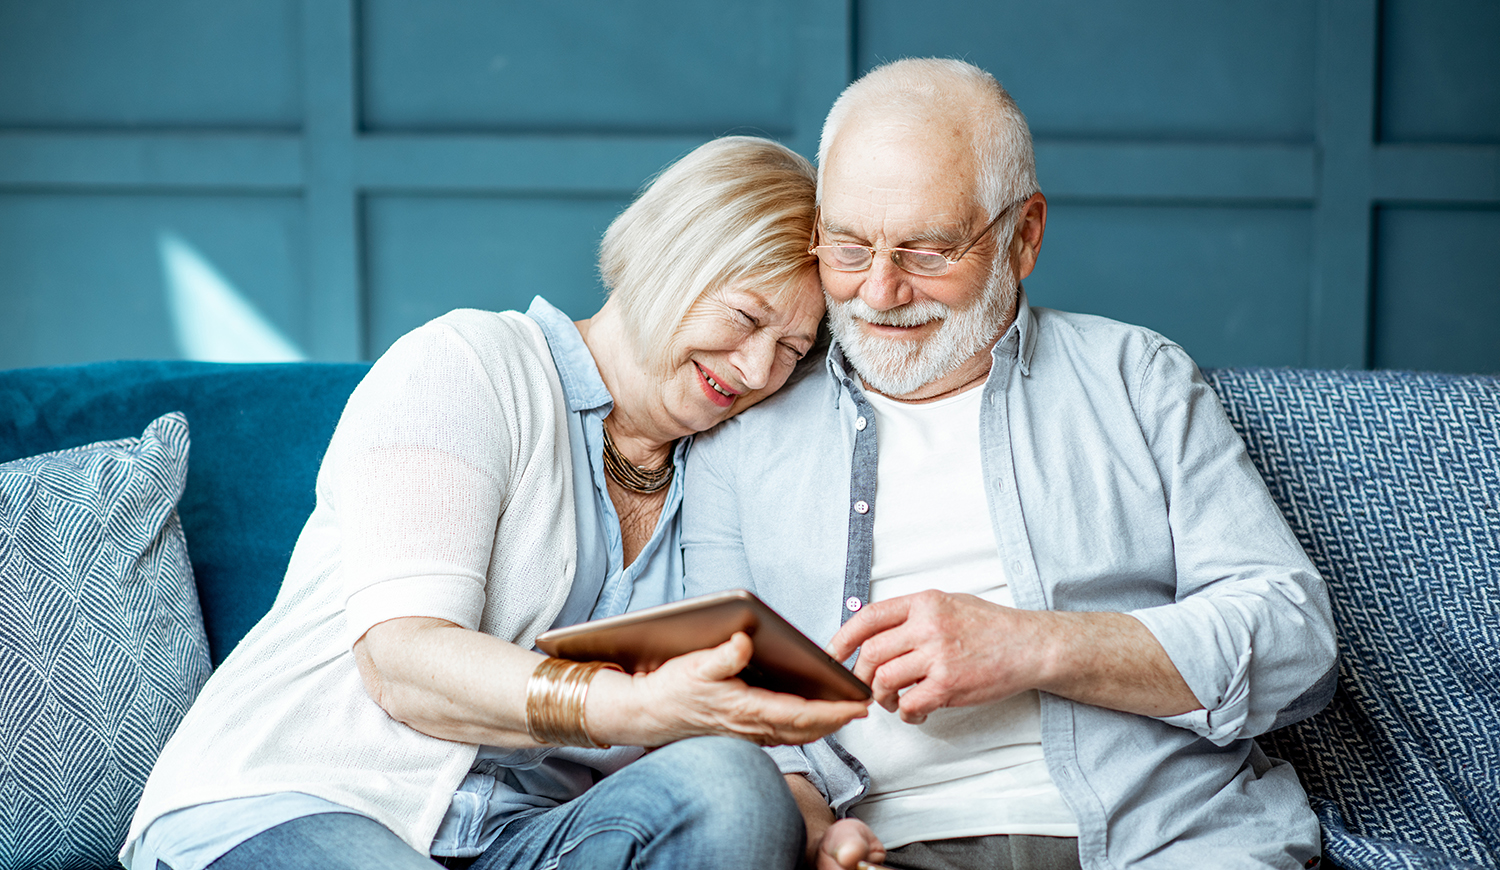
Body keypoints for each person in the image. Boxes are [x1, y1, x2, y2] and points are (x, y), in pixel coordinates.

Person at [122, 135, 870, 870]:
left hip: (520, 838)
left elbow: (739, 719)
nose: (756, 370)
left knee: (732, 790)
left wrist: (814, 830)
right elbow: (402, 662)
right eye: (745, 319)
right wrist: (622, 707)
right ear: (665, 258)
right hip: (310, 795)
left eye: (791, 350)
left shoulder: (717, 478)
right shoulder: (470, 363)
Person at [682, 59, 1338, 870]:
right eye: (848, 248)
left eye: (928, 251)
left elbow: (1296, 644)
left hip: (1163, 839)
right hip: (886, 847)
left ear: (1024, 235)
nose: (878, 293)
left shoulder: (1137, 378)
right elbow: (728, 702)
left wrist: (1034, 646)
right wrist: (810, 822)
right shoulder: (742, 434)